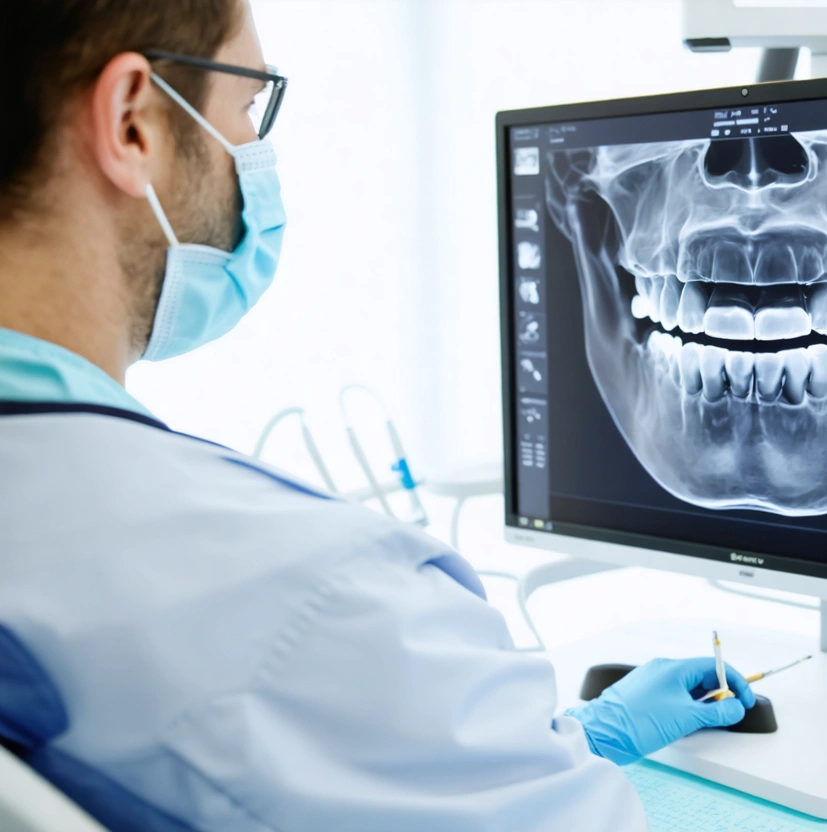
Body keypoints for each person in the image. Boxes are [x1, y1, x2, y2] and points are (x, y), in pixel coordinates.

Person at [0, 2, 756, 830]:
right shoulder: (323, 599)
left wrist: (551, 745)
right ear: (132, 122)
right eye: (249, 104)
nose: (254, 149)